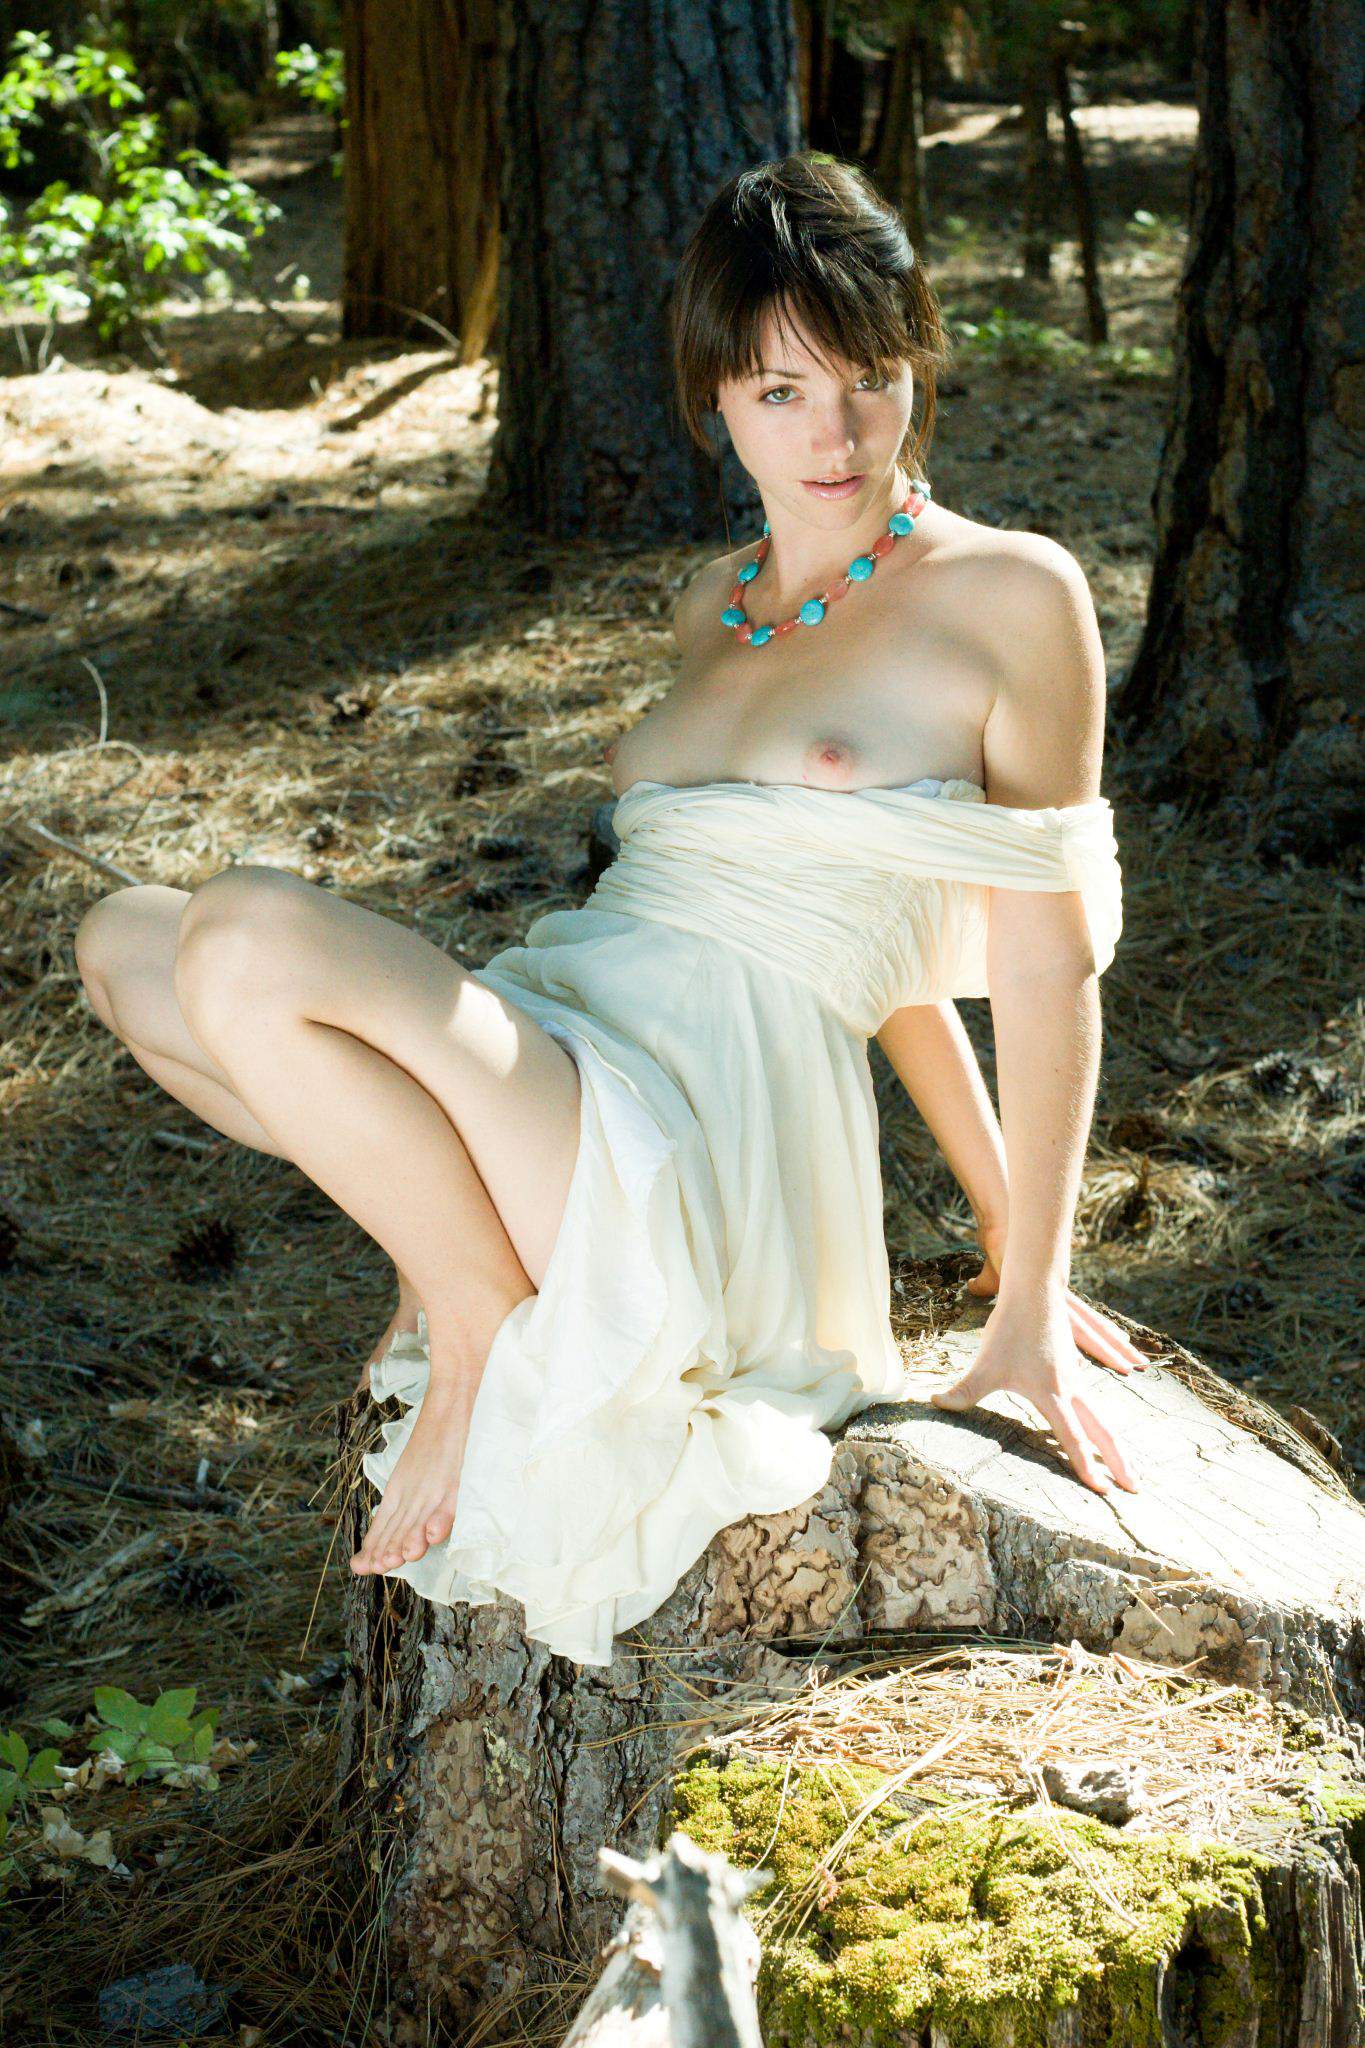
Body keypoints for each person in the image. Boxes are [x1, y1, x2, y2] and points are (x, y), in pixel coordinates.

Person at [72, 152, 1142, 1670]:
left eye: (870, 379)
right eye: (780, 391)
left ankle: (469, 1314)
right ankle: (472, 1271)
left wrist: (1028, 1277)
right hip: (567, 1035)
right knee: (124, 940)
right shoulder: (710, 604)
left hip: (695, 1126)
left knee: (244, 926)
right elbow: (885, 950)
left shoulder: (1013, 594)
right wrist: (979, 1204)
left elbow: (1036, 961)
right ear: (715, 399)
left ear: (916, 366)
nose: (835, 433)